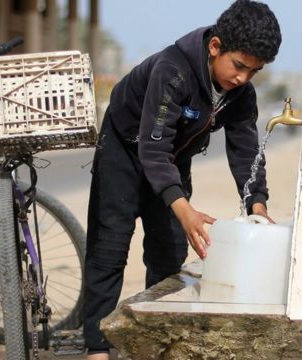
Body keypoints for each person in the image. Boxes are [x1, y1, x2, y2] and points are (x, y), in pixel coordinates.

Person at [83, 0, 282, 358]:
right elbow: (151, 147)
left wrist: (258, 204)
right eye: (238, 66)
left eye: (254, 71)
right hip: (125, 150)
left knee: (168, 250)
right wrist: (184, 208)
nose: (243, 78)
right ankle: (97, 348)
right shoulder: (172, 71)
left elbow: (246, 152)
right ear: (215, 46)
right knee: (109, 248)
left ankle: (150, 341)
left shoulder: (240, 94)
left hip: (173, 156)